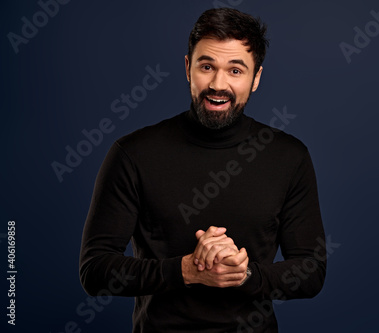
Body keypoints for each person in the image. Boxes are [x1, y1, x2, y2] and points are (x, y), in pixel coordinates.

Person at [79, 7, 326, 333]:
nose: (218, 84)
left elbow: (311, 271)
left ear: (256, 79)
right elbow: (95, 271)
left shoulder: (289, 156)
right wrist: (183, 271)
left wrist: (246, 275)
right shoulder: (133, 153)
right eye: (206, 66)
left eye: (235, 70)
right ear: (187, 68)